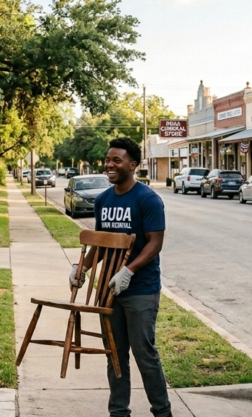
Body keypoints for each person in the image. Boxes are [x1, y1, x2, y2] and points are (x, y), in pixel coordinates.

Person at [70, 137, 172, 417]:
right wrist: (82, 268)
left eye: (117, 160)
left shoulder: (147, 199)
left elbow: (155, 242)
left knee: (144, 353)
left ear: (133, 165)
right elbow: (101, 244)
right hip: (109, 290)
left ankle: (162, 412)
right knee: (114, 353)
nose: (110, 165)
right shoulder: (103, 200)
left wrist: (129, 270)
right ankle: (118, 412)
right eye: (108, 160)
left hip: (141, 289)